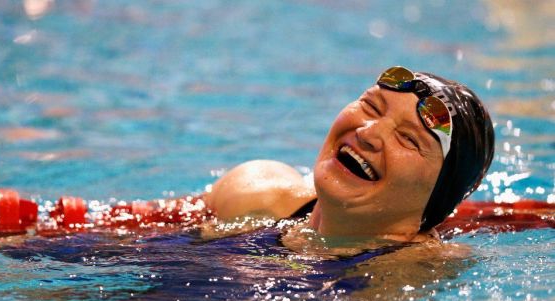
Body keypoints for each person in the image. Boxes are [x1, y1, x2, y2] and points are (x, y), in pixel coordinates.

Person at [204, 66, 495, 251]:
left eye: (408, 139)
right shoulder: (254, 193)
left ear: (437, 195)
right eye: (371, 107)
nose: (368, 132)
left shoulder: (410, 275)